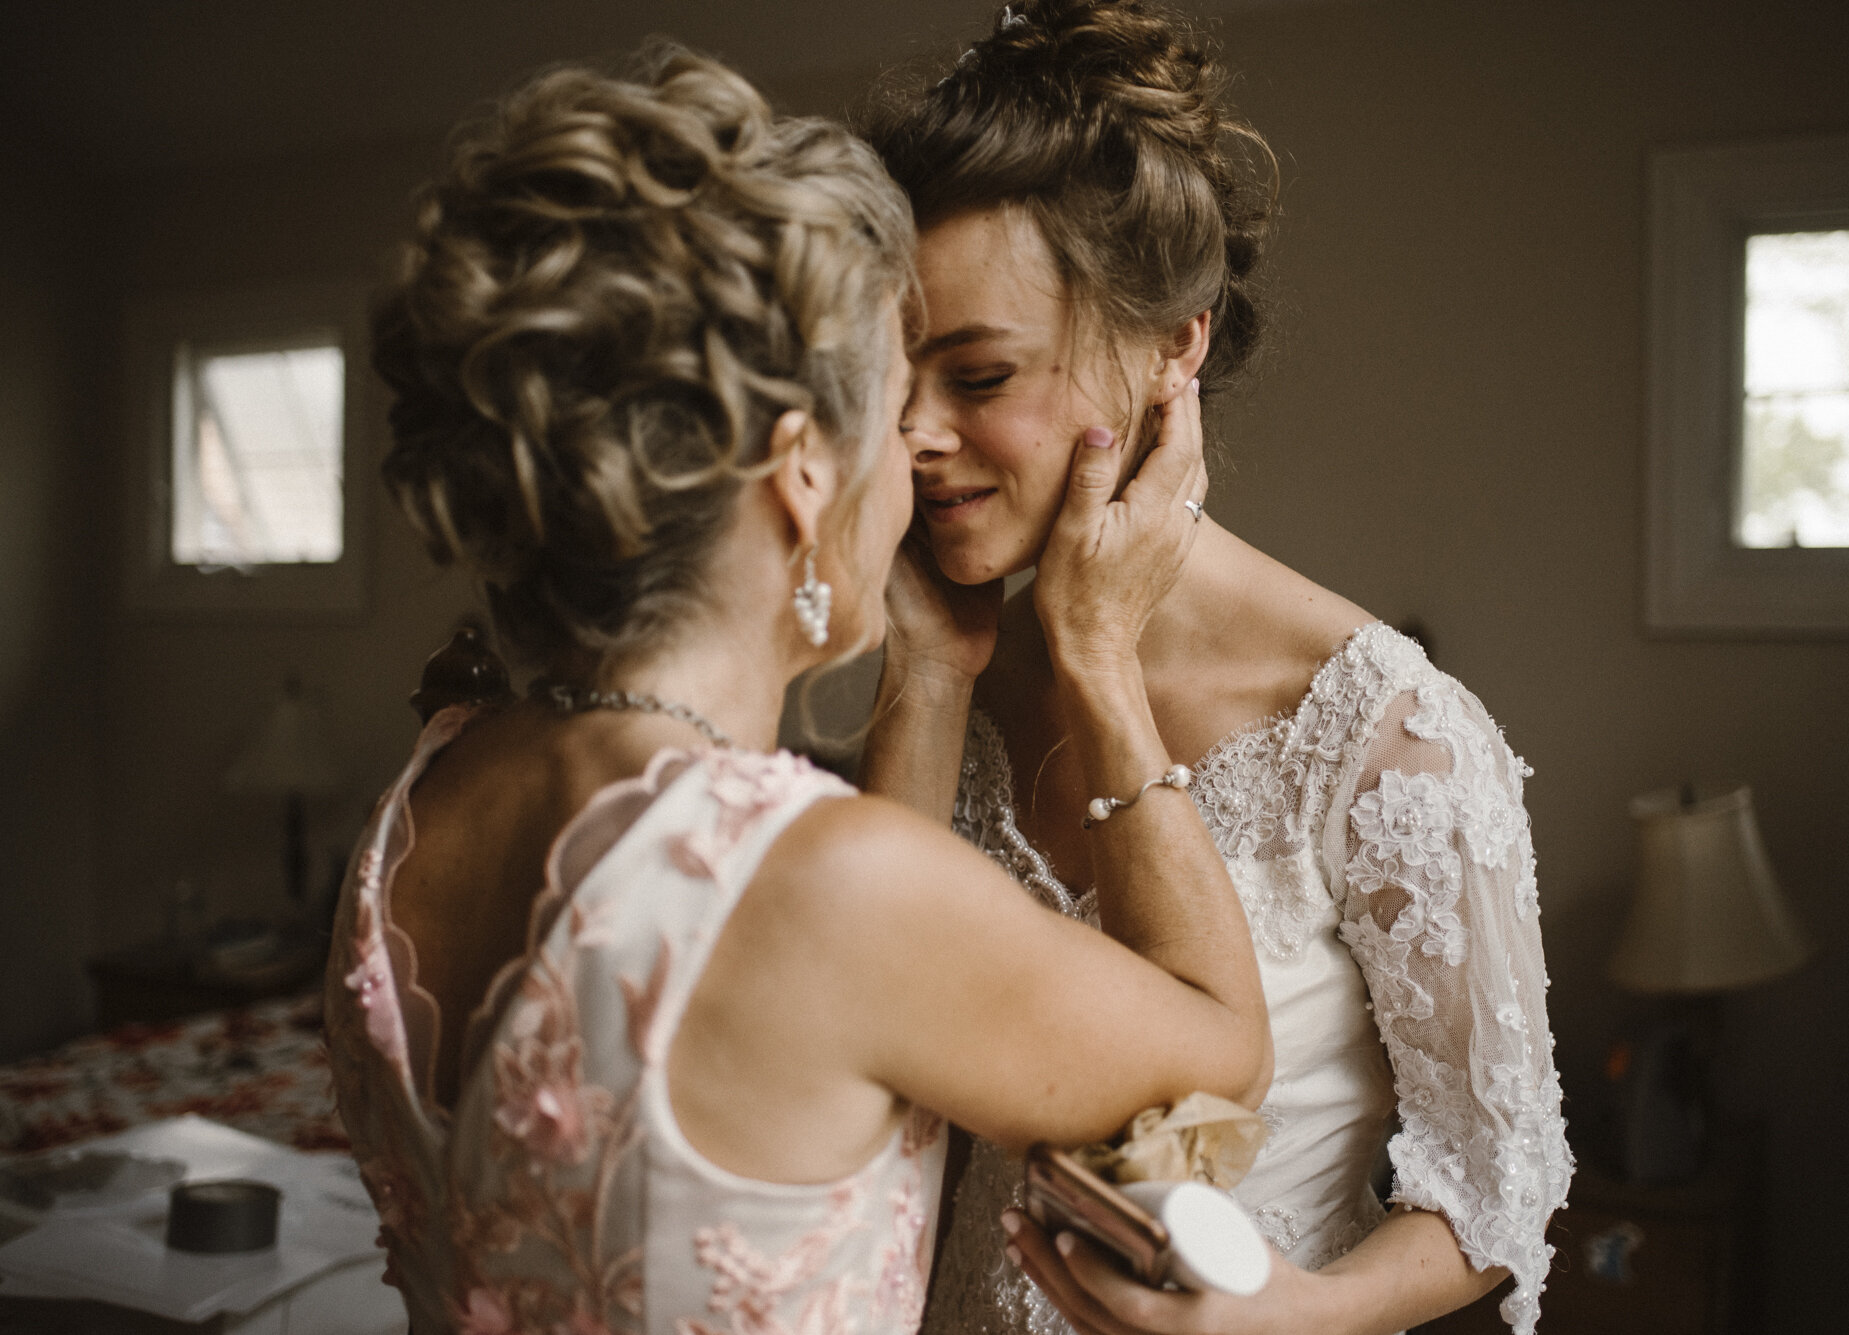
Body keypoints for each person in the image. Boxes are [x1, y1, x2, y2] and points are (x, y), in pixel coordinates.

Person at [323, 43, 1275, 1335]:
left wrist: (930, 670)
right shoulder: (822, 888)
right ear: (801, 477)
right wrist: (1099, 654)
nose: (924, 455)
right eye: (892, 411)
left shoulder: (421, 800)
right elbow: (1224, 1047)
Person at [860, 3, 1572, 1333]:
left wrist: (1289, 1317)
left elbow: (1496, 1184)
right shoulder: (949, 684)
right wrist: (927, 679)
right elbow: (870, 1065)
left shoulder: (1387, 732)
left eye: (977, 374)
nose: (912, 435)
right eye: (894, 377)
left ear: (1173, 344)